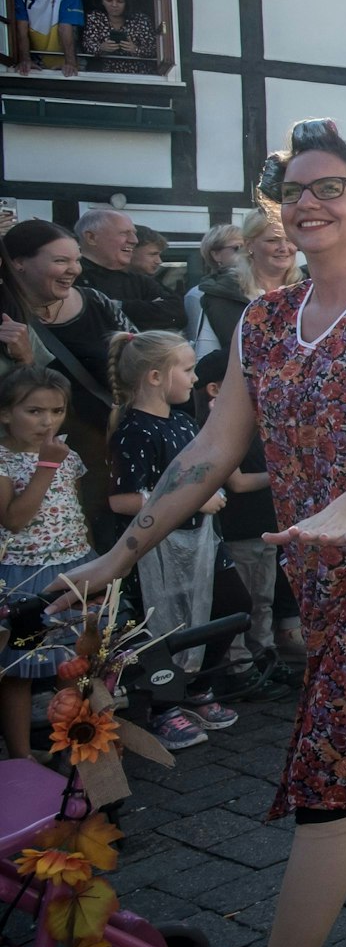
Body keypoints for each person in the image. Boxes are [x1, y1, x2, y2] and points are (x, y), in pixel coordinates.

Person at [53, 118, 346, 947]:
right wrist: (114, 561)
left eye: (328, 188)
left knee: (331, 772)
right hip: (323, 563)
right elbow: (209, 452)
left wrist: (345, 508)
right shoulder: (263, 321)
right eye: (292, 191)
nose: (306, 203)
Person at [105, 330, 235, 751]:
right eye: (188, 369)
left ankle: (197, 687)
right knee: (158, 627)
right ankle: (163, 707)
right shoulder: (133, 430)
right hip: (157, 551)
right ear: (157, 376)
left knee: (233, 606)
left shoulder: (181, 419)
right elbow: (123, 499)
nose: (195, 378)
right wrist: (194, 501)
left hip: (200, 543)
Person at [3, 219, 133, 536]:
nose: (74, 269)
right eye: (60, 260)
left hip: (110, 448)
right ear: (18, 263)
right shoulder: (8, 317)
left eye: (76, 259)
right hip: (40, 461)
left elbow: (138, 363)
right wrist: (25, 358)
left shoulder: (97, 302)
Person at [193, 347, 301, 692]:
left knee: (264, 599)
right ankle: (240, 668)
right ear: (215, 389)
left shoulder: (253, 421)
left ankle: (265, 657)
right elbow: (237, 481)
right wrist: (282, 474)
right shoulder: (217, 424)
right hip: (241, 531)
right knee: (247, 602)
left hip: (266, 527)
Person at [0, 367, 90, 759]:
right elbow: (14, 519)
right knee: (18, 672)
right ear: (6, 413)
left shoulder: (67, 452)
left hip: (73, 566)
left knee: (74, 664)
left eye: (56, 411)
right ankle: (21, 755)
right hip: (24, 575)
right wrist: (46, 467)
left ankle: (74, 745)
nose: (47, 421)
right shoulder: (3, 460)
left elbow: (74, 506)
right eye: (34, 411)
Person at [191, 208, 301, 359]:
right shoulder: (222, 295)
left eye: (289, 239)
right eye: (272, 240)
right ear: (249, 245)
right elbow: (205, 361)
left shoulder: (312, 289)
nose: (283, 248)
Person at [74, 207, 182, 331]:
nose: (134, 240)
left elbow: (177, 314)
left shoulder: (139, 280)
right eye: (124, 233)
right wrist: (148, 309)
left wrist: (118, 305)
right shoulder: (71, 276)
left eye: (134, 233)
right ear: (91, 237)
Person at [183, 223, 244, 338]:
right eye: (238, 248)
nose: (248, 253)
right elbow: (198, 343)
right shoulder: (198, 295)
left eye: (249, 247)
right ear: (216, 255)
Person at [80, 0, 156, 74]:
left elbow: (154, 50)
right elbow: (86, 46)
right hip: (103, 75)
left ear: (127, 2)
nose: (114, 5)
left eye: (120, 1)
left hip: (138, 75)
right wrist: (101, 47)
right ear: (101, 1)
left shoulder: (141, 19)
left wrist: (135, 49)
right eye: (109, 0)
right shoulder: (94, 17)